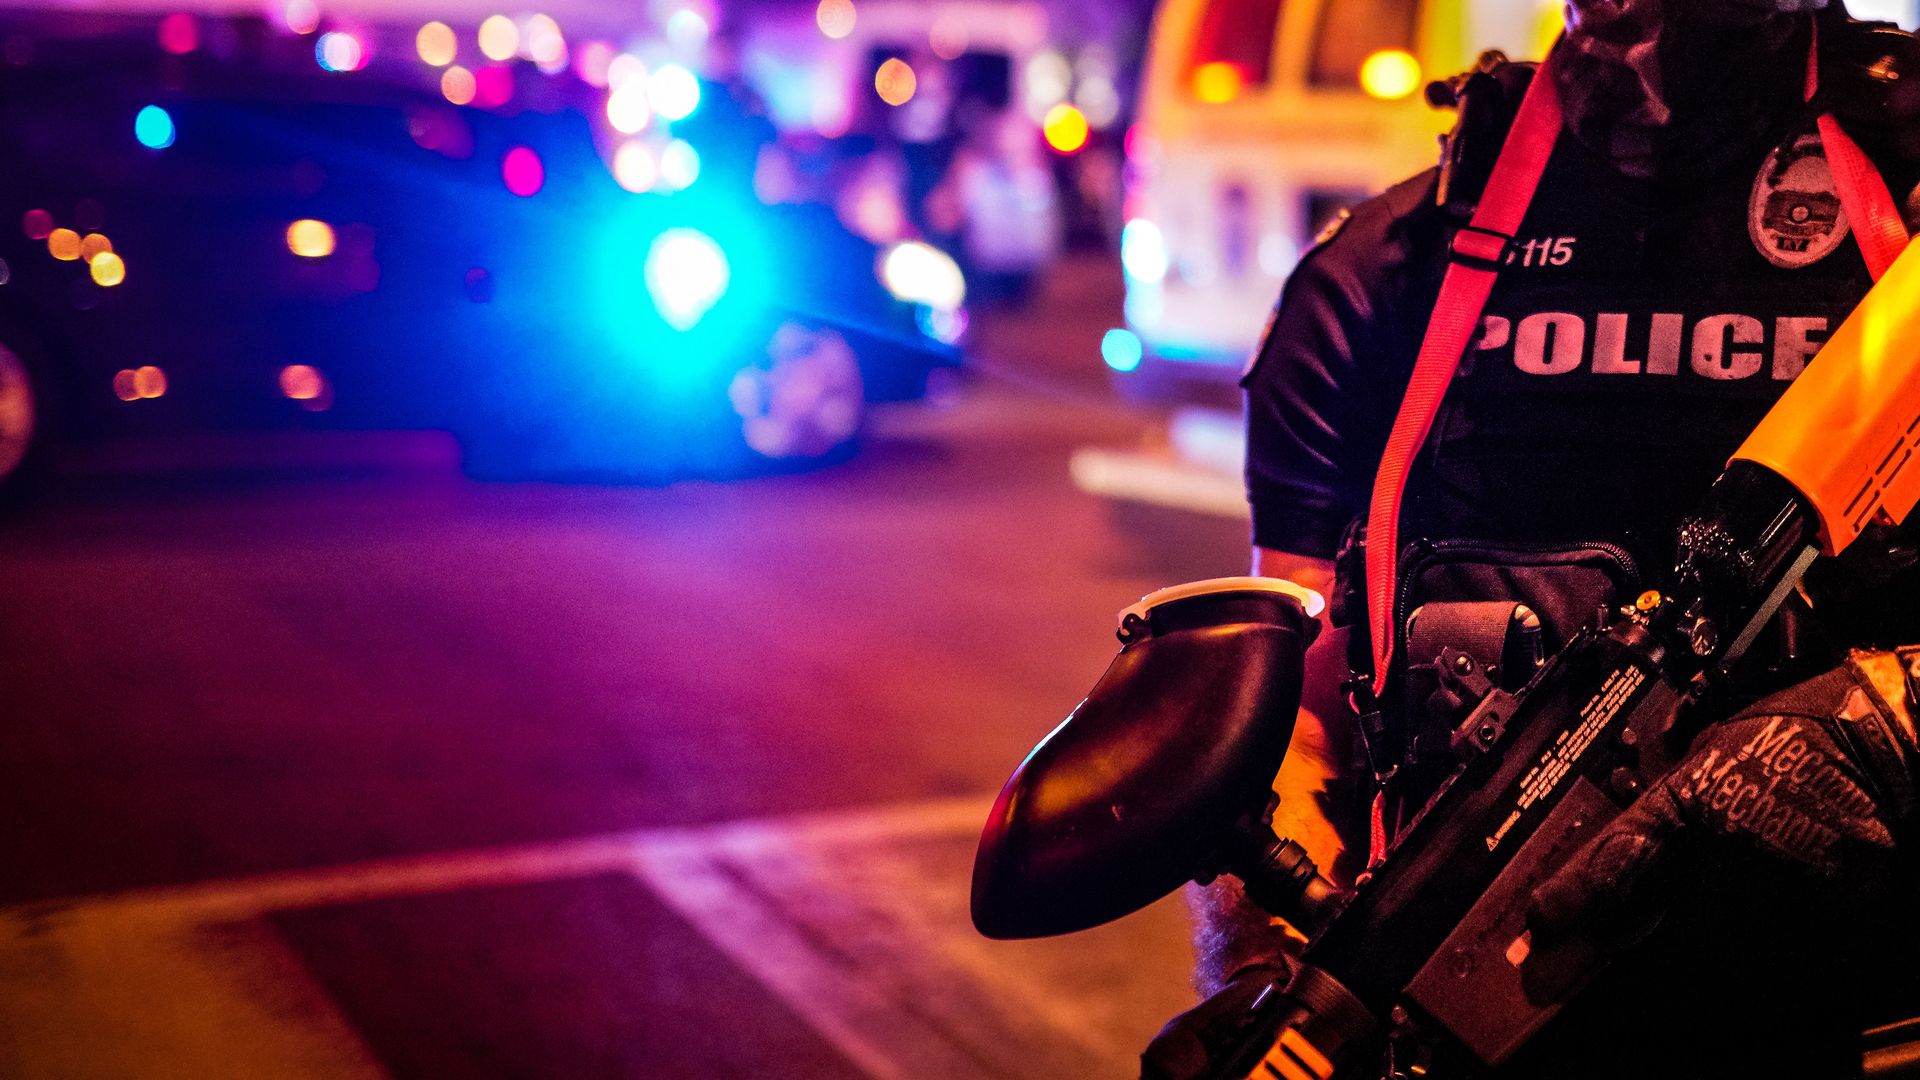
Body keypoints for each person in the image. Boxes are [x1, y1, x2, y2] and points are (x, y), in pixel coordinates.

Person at [1152, 2, 1920, 1076]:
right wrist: (1270, 988)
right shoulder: (1384, 277)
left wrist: (1879, 726)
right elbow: (1299, 717)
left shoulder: (1907, 205)